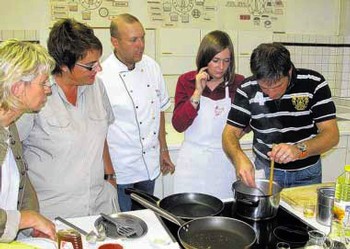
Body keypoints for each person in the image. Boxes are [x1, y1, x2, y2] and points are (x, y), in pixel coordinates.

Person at [16, 19, 119, 219]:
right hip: (53, 212)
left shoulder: (97, 88)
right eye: (90, 65)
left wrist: (110, 176)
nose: (99, 69)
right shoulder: (37, 96)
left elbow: (101, 135)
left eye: (98, 61)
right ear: (63, 65)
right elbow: (12, 152)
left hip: (99, 206)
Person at [222, 42, 339, 188]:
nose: (271, 94)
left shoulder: (313, 83)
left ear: (289, 71)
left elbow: (331, 135)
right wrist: (238, 157)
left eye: (277, 86)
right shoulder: (247, 89)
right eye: (264, 88)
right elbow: (230, 133)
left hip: (306, 175)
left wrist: (298, 149)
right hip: (266, 172)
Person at [97, 13, 175, 212]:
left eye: (142, 37)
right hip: (121, 168)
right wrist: (109, 173)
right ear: (115, 42)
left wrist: (163, 149)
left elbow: (158, 109)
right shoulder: (101, 76)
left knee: (148, 218)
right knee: (124, 224)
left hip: (149, 164)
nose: (140, 44)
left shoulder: (152, 67)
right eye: (133, 40)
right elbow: (99, 130)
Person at [171, 30, 244, 199]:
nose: (221, 67)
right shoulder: (187, 81)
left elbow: (247, 121)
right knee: (188, 214)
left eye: (226, 61)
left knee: (223, 213)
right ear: (205, 58)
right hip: (191, 163)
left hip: (224, 161)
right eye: (216, 60)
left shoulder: (238, 83)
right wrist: (197, 93)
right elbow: (178, 125)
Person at [0, 39, 56, 241]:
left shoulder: (10, 124)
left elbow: (20, 182)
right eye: (42, 83)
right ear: (17, 88)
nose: (48, 89)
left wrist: (32, 224)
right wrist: (25, 219)